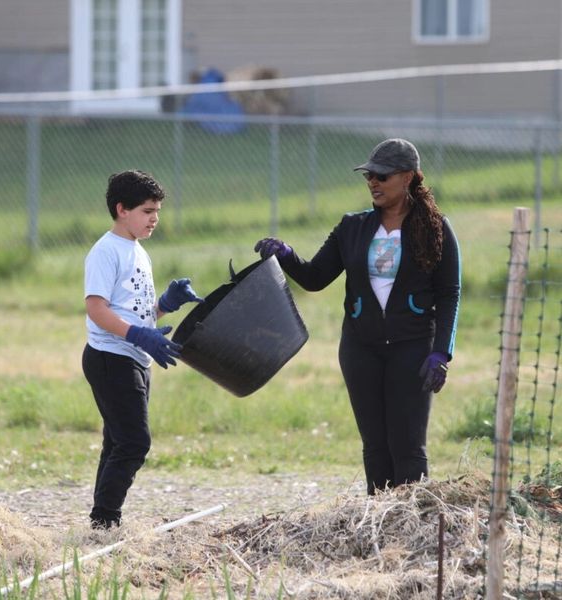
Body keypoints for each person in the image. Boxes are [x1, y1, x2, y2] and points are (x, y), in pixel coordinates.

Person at [255, 138, 460, 495]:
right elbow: (315, 278)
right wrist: (285, 254)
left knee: (408, 445)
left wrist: (441, 352)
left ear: (408, 176)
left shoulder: (436, 228)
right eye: (369, 176)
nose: (373, 183)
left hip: (412, 348)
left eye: (382, 175)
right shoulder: (353, 227)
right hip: (360, 348)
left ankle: (411, 526)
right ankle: (379, 525)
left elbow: (448, 294)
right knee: (376, 445)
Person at [82, 169, 204, 528]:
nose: (155, 219)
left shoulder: (138, 250)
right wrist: (137, 335)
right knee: (135, 442)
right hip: (110, 357)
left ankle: (101, 521)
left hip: (134, 358)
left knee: (117, 441)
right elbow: (97, 308)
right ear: (122, 209)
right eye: (147, 211)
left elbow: (134, 311)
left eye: (158, 212)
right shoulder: (106, 251)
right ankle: (106, 520)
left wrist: (165, 304)